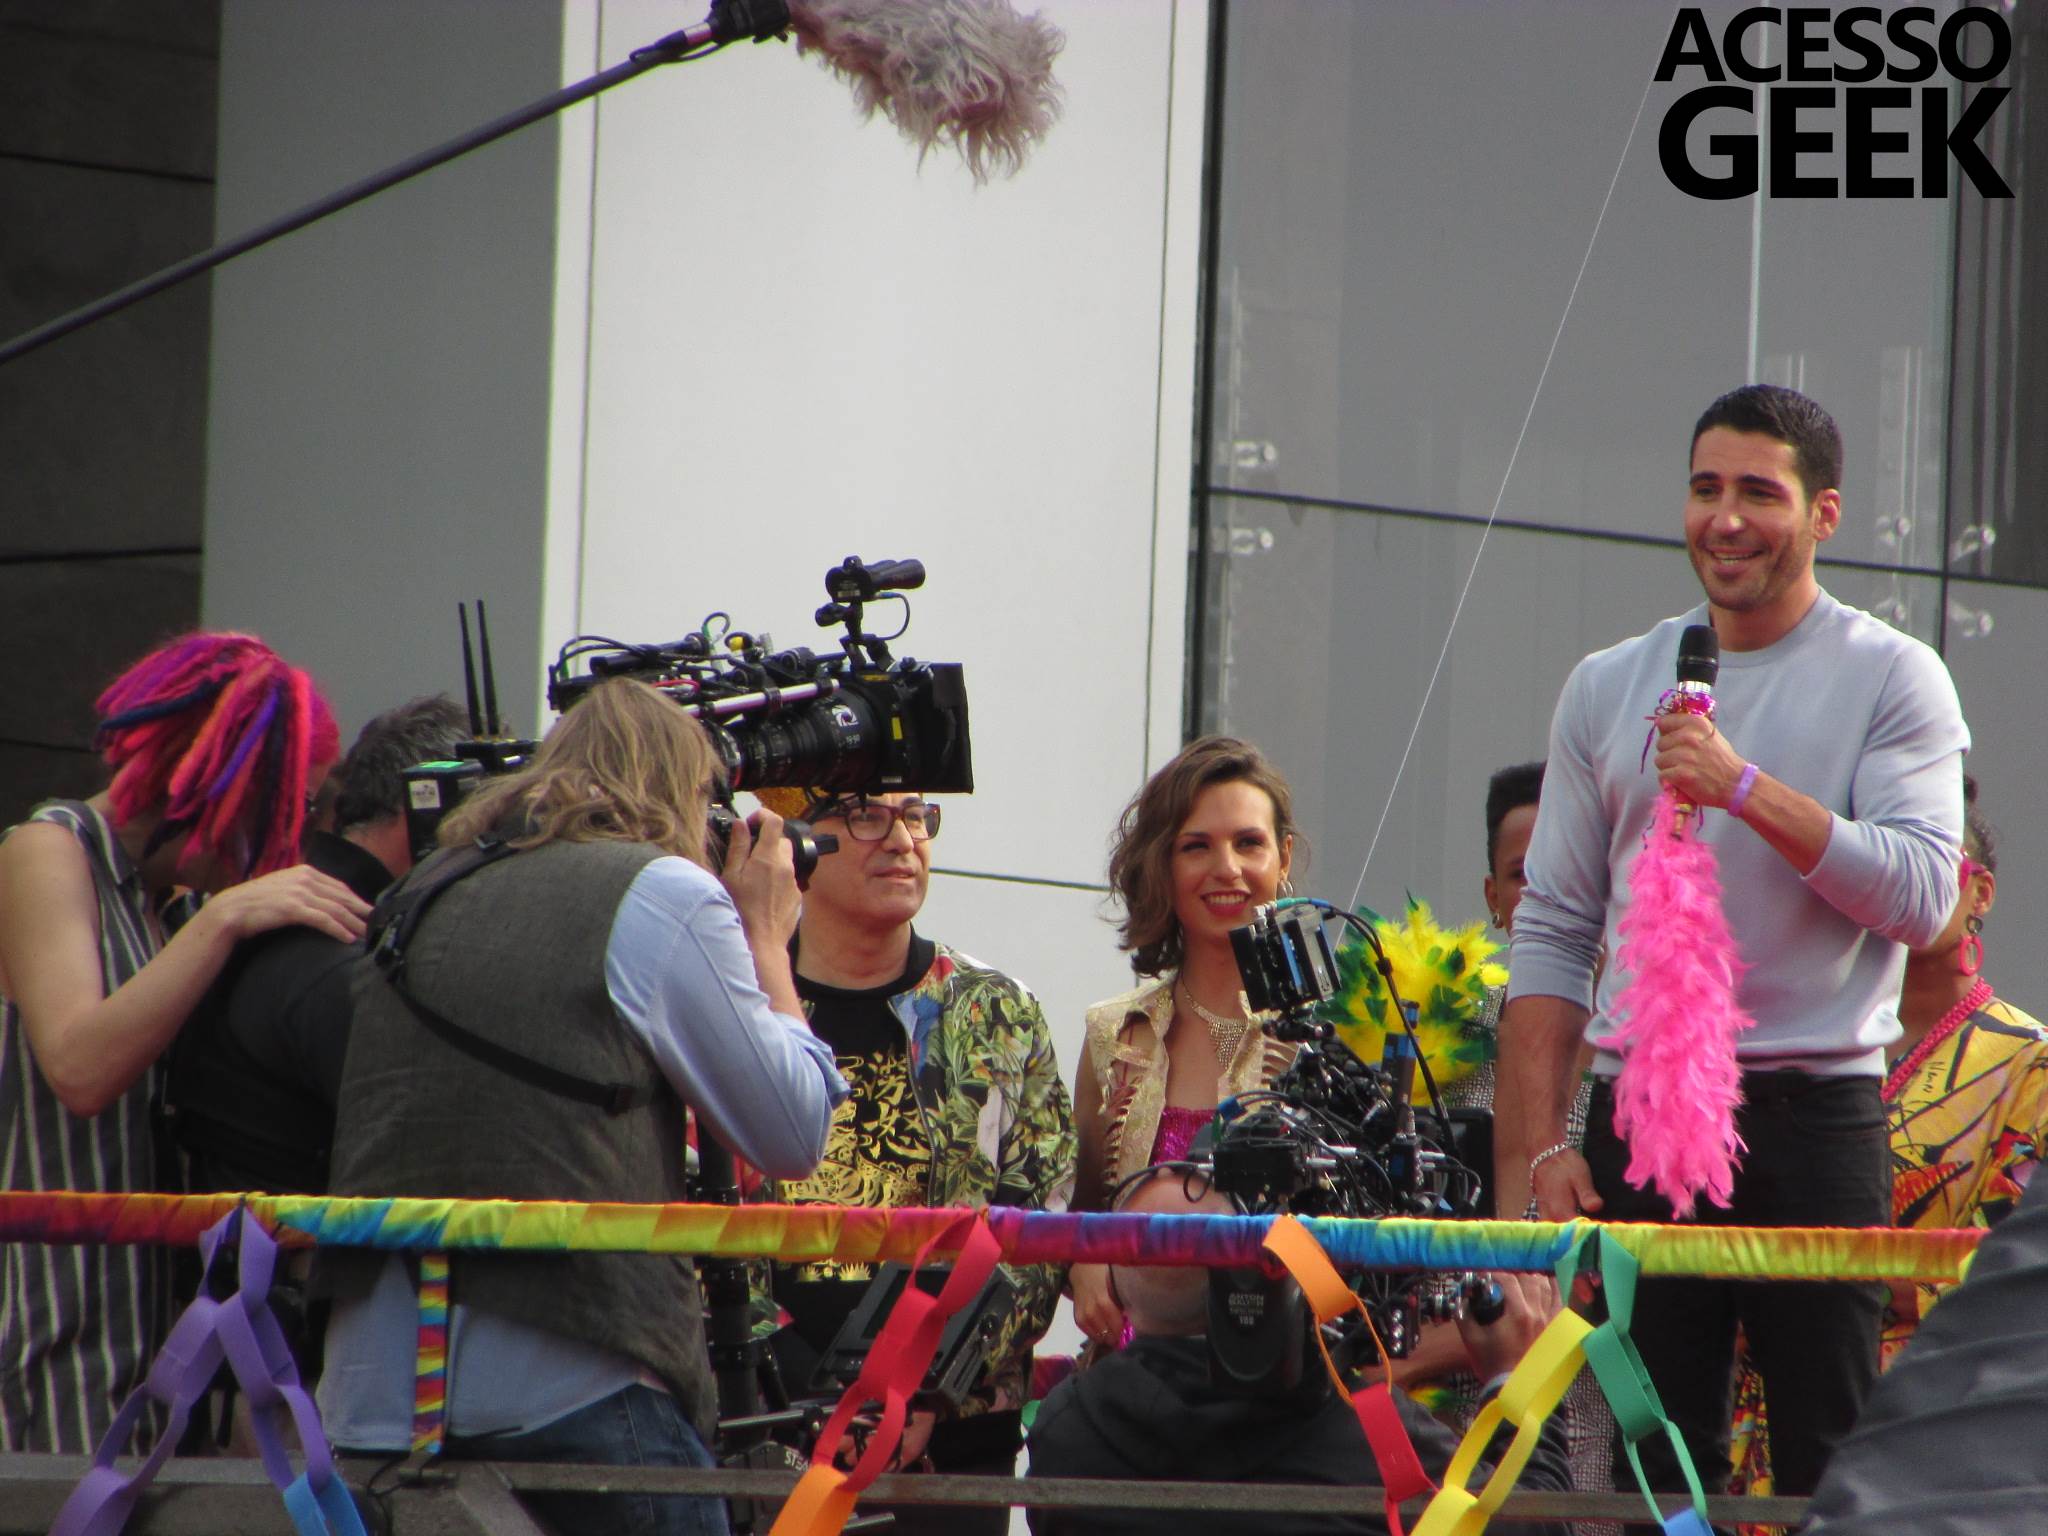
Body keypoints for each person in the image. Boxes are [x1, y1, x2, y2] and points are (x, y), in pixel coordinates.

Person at [1495, 383, 1970, 1501]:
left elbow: (1921, 898)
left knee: (1829, 1464)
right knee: (1650, 1462)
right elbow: (1553, 928)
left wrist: (1742, 787)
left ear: (1823, 514)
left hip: (1815, 1114)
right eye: (1704, 488)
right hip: (1641, 1112)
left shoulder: (1891, 672)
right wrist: (1536, 1153)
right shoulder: (1608, 682)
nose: (1725, 518)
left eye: (1758, 492)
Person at [317, 679, 845, 1536]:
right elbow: (791, 1130)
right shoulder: (660, 890)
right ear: (684, 793)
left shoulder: (421, 891)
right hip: (572, 1390)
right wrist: (767, 940)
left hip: (372, 1400)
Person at [0, 632, 368, 1455]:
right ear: (222, 782)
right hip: (49, 1332)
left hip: (163, 1351)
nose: (290, 835)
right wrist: (227, 920)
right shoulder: (47, 851)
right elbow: (79, 1067)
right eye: (289, 804)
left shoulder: (172, 905)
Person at [750, 786, 1076, 1534]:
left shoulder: (996, 1009)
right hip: (763, 1429)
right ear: (799, 839)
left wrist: (921, 1390)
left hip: (953, 1440)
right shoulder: (738, 1000)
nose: (902, 839)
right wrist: (803, 1395)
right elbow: (689, 1212)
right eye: (866, 814)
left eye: (916, 815)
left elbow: (1043, 1225)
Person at [1730, 775, 2048, 1502]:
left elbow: (2017, 1274)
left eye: (1937, 860)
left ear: (1981, 893)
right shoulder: (1801, 1052)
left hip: (1927, 1429)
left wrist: (1855, 1288)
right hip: (1757, 1430)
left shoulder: (2030, 1063)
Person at [1025, 1169, 1574, 1536]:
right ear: (1254, 1275)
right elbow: (1536, 1526)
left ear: (1117, 1290)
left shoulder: (1068, 1428)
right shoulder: (1366, 1432)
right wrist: (1515, 1378)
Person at [168, 694, 470, 1197]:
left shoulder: (299, 917)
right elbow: (433, 1156)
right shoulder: (342, 961)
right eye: (486, 822)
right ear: (424, 816)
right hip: (292, 1241)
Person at [1070, 735, 1303, 1348]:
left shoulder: (1326, 1034)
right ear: (1162, 867)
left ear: (1283, 857)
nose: (1226, 868)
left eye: (1248, 843)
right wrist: (1082, 1260)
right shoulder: (1114, 1033)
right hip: (1132, 1377)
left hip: (1278, 1375)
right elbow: (1080, 1213)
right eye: (1196, 846)